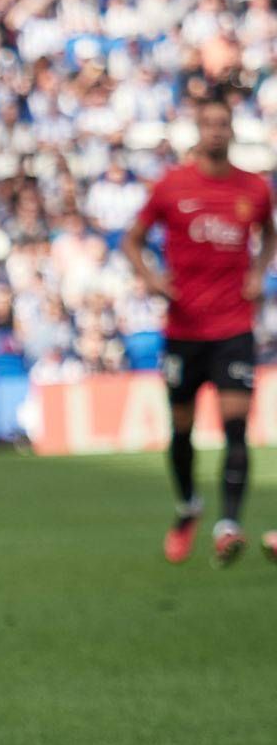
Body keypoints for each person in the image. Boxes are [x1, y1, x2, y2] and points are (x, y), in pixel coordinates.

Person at [121, 94, 274, 565]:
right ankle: (189, 505)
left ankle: (228, 525)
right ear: (197, 130)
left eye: (221, 123)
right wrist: (152, 279)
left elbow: (270, 234)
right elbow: (132, 241)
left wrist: (257, 271)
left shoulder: (254, 190)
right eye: (207, 123)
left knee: (234, 429)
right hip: (184, 329)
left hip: (233, 326)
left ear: (231, 130)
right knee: (181, 432)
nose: (215, 131)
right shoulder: (172, 187)